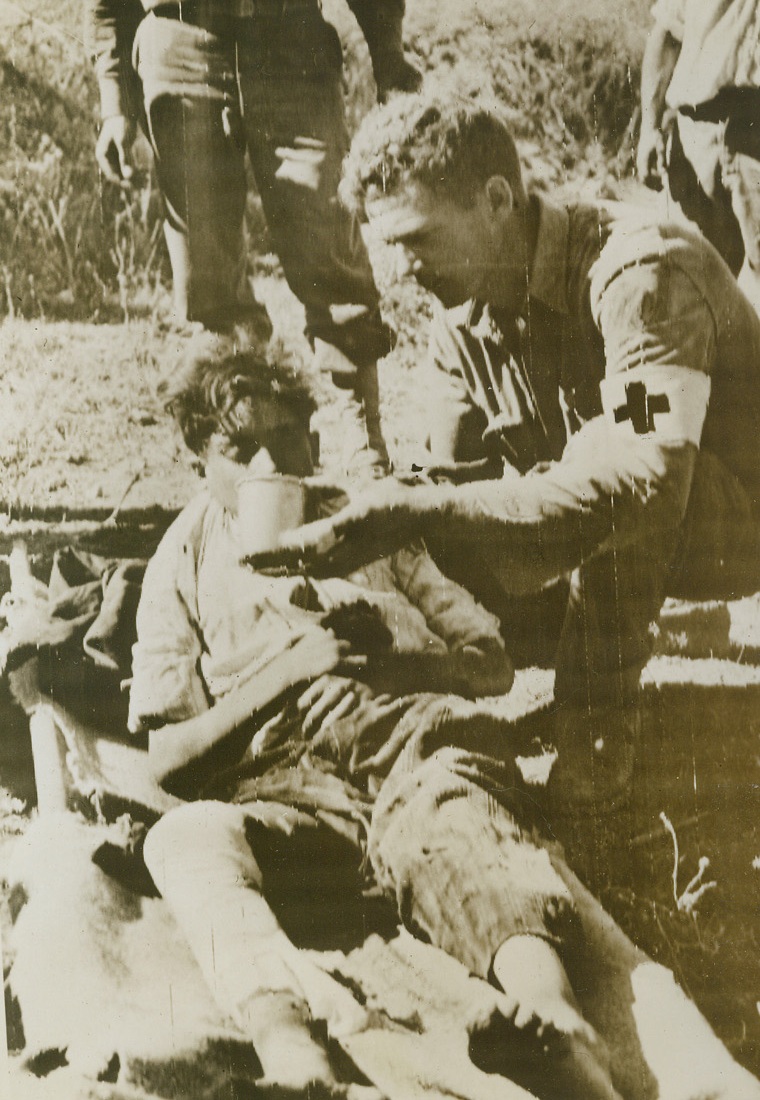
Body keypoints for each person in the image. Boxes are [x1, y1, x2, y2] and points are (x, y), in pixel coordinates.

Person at [249, 90, 760, 839]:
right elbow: (455, 491)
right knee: (425, 528)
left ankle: (595, 747)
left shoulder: (637, 275)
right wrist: (367, 516)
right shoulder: (460, 324)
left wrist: (425, 509)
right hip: (625, 522)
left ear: (496, 199)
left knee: (605, 455)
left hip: (735, 523)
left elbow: (645, 478)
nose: (403, 269)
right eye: (390, 246)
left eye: (418, 239)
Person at [131, 343, 623, 1099]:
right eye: (239, 447)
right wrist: (287, 673)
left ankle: (551, 1020)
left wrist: (402, 666)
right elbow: (167, 758)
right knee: (182, 838)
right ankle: (289, 1046)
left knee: (454, 822)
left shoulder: (371, 524)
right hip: (291, 793)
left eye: (286, 439)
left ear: (314, 443)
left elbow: (491, 663)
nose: (269, 463)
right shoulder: (183, 560)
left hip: (413, 749)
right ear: (202, 459)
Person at [87, 0, 422, 473]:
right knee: (207, 271)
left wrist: (389, 59)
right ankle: (245, 430)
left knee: (326, 236)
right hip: (180, 47)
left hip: (291, 44)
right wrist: (113, 102)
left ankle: (358, 427)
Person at [637, 0, 760, 311]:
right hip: (697, 134)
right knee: (684, 277)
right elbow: (666, 34)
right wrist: (649, 128)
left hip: (754, 133)